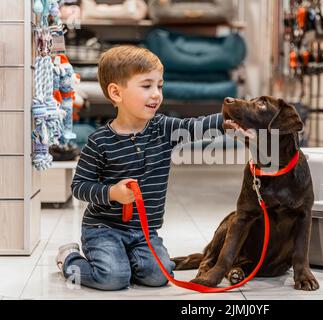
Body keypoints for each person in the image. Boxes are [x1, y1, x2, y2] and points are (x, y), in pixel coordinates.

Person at [55, 45, 224, 290]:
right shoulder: (99, 140)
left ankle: (126, 261)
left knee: (159, 275)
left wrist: (231, 117)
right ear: (116, 93)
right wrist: (112, 192)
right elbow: (79, 187)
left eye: (159, 86)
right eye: (146, 86)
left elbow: (195, 126)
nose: (156, 94)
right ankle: (70, 257)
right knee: (112, 278)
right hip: (103, 229)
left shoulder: (163, 128)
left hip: (144, 231)